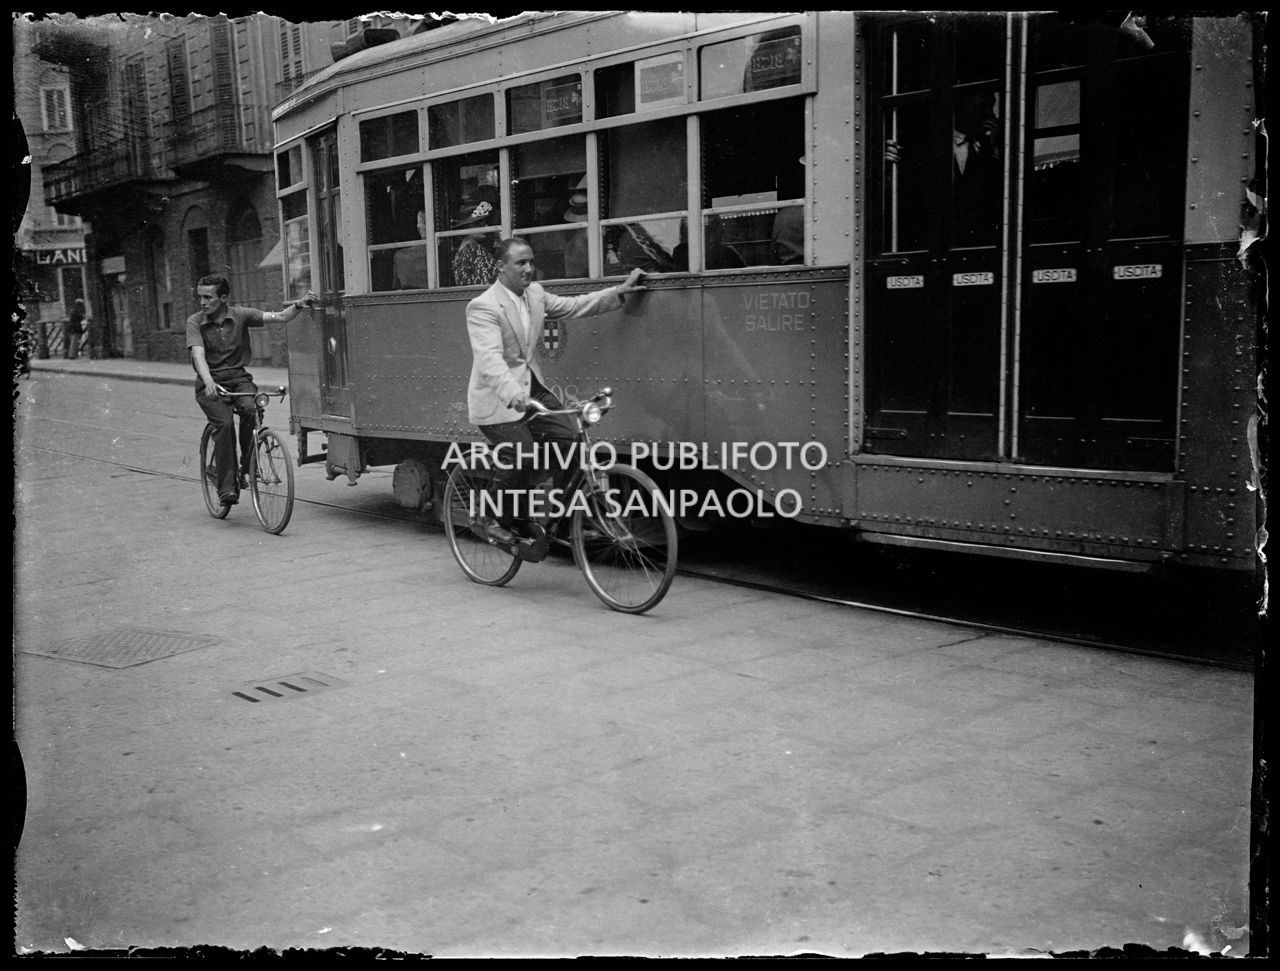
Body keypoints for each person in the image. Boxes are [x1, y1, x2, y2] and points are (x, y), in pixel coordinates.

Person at [464, 238, 646, 542]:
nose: (529, 268)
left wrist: (619, 293)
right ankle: (492, 517)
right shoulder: (483, 306)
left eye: (532, 262)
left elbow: (574, 306)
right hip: (498, 399)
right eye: (521, 263)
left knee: (572, 443)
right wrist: (513, 394)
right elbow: (490, 360)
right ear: (500, 267)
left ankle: (561, 522)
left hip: (531, 388)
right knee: (522, 456)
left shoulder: (534, 294)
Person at [187, 274, 318, 507]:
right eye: (200, 297)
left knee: (251, 409)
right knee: (225, 425)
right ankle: (226, 488)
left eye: (208, 297)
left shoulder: (241, 315)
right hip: (211, 384)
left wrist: (298, 305)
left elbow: (279, 317)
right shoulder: (195, 322)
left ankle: (248, 464)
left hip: (239, 380)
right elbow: (198, 355)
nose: (203, 302)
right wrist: (208, 382)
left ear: (224, 298)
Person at [885, 92, 1001, 247]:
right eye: (982, 107)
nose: (990, 114)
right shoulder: (923, 149)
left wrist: (996, 150)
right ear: (958, 106)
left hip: (977, 247)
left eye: (990, 107)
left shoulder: (989, 150)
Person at [452, 201, 500, 287]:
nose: (485, 226)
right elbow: (489, 282)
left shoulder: (463, 250)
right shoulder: (473, 249)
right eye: (479, 223)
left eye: (485, 222)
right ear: (466, 227)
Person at [392, 210, 429, 290]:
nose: (418, 226)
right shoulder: (440, 252)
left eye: (423, 223)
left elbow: (396, 287)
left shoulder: (399, 256)